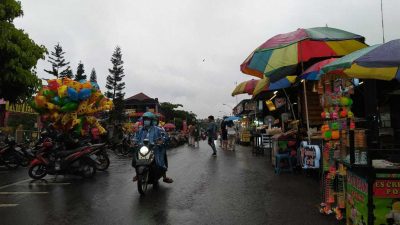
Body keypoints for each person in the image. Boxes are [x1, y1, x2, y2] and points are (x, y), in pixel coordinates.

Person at [132, 112, 173, 183]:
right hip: (143, 149)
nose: (146, 121)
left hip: (155, 149)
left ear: (151, 120)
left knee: (161, 161)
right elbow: (135, 137)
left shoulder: (158, 129)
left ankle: (164, 177)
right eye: (145, 119)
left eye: (148, 119)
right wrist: (133, 142)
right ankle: (138, 174)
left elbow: (165, 136)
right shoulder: (140, 130)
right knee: (135, 161)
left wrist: (161, 141)